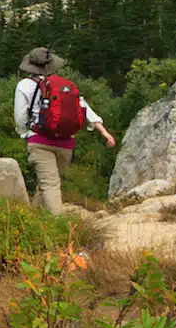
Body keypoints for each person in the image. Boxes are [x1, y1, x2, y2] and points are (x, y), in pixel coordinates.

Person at [14, 48, 116, 215]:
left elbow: (20, 117)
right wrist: (104, 132)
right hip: (66, 143)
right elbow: (84, 108)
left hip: (40, 141)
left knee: (49, 184)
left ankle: (60, 227)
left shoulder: (24, 85)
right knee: (49, 183)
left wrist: (25, 134)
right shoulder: (64, 85)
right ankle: (32, 217)